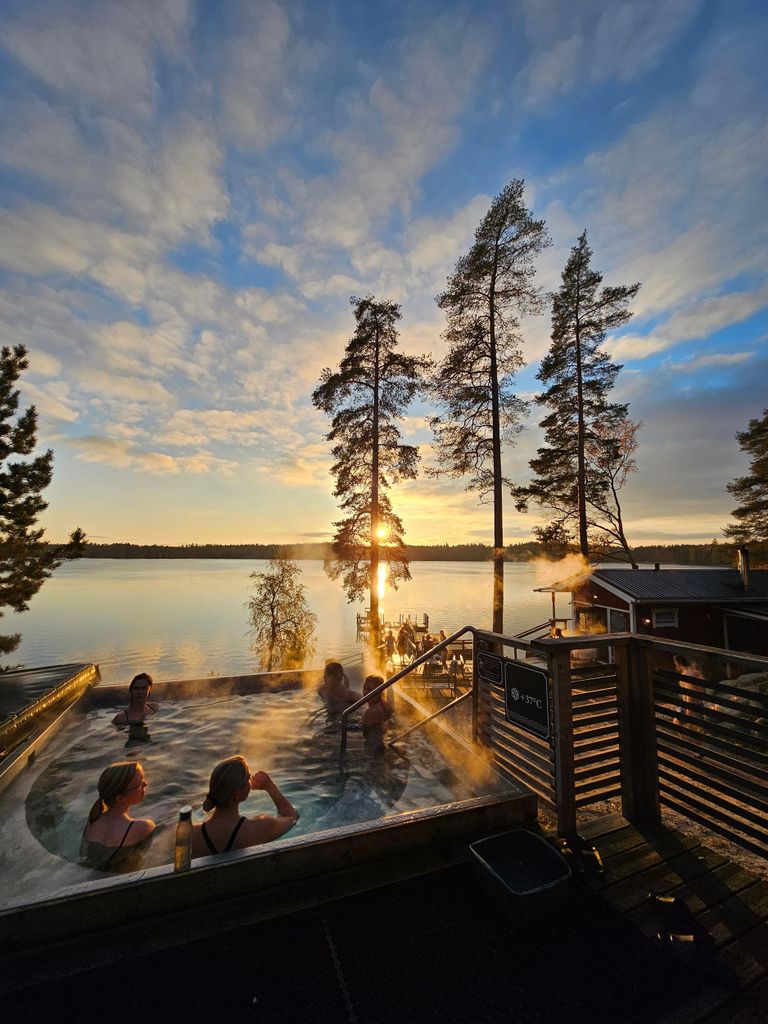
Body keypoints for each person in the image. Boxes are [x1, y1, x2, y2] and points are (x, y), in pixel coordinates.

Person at [191, 756, 298, 858]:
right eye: (248, 778)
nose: (250, 782)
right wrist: (270, 786)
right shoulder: (259, 827)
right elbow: (292, 817)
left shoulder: (191, 834)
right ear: (237, 793)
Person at [80, 761, 156, 871]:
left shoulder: (92, 822)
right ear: (120, 798)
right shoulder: (142, 827)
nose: (146, 784)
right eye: (140, 783)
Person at [361, 675, 392, 756]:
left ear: (379, 692)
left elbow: (364, 734)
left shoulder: (370, 712)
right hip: (380, 746)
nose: (365, 692)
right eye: (364, 688)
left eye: (370, 690)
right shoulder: (384, 704)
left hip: (372, 749)